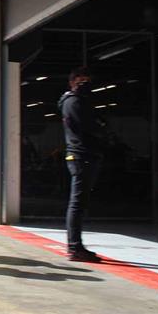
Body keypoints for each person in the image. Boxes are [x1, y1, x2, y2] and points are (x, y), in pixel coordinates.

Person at [57, 66, 107, 262]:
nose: (86, 85)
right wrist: (100, 125)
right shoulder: (74, 102)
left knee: (80, 203)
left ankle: (76, 246)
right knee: (77, 203)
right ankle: (75, 247)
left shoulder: (79, 102)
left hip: (84, 155)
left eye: (88, 81)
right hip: (81, 156)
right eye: (81, 81)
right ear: (73, 81)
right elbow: (89, 127)